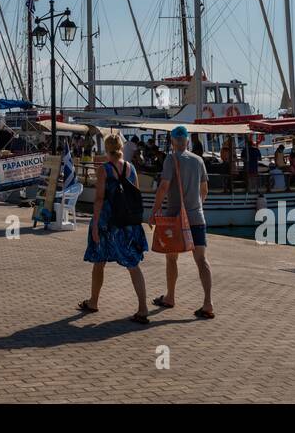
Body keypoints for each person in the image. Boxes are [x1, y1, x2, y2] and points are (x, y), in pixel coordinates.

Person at [80, 133, 150, 324]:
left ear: (106, 149)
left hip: (107, 223)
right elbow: (134, 194)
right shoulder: (130, 168)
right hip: (127, 222)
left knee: (99, 261)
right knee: (133, 265)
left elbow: (100, 198)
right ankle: (143, 308)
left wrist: (94, 224)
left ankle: (94, 301)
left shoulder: (104, 170)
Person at [149, 125, 214, 319]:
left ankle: (170, 296)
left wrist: (154, 211)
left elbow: (163, 186)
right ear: (186, 141)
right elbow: (205, 190)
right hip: (197, 217)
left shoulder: (171, 159)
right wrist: (196, 206)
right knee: (201, 260)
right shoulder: (198, 160)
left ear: (172, 142)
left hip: (174, 219)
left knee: (171, 258)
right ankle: (208, 303)